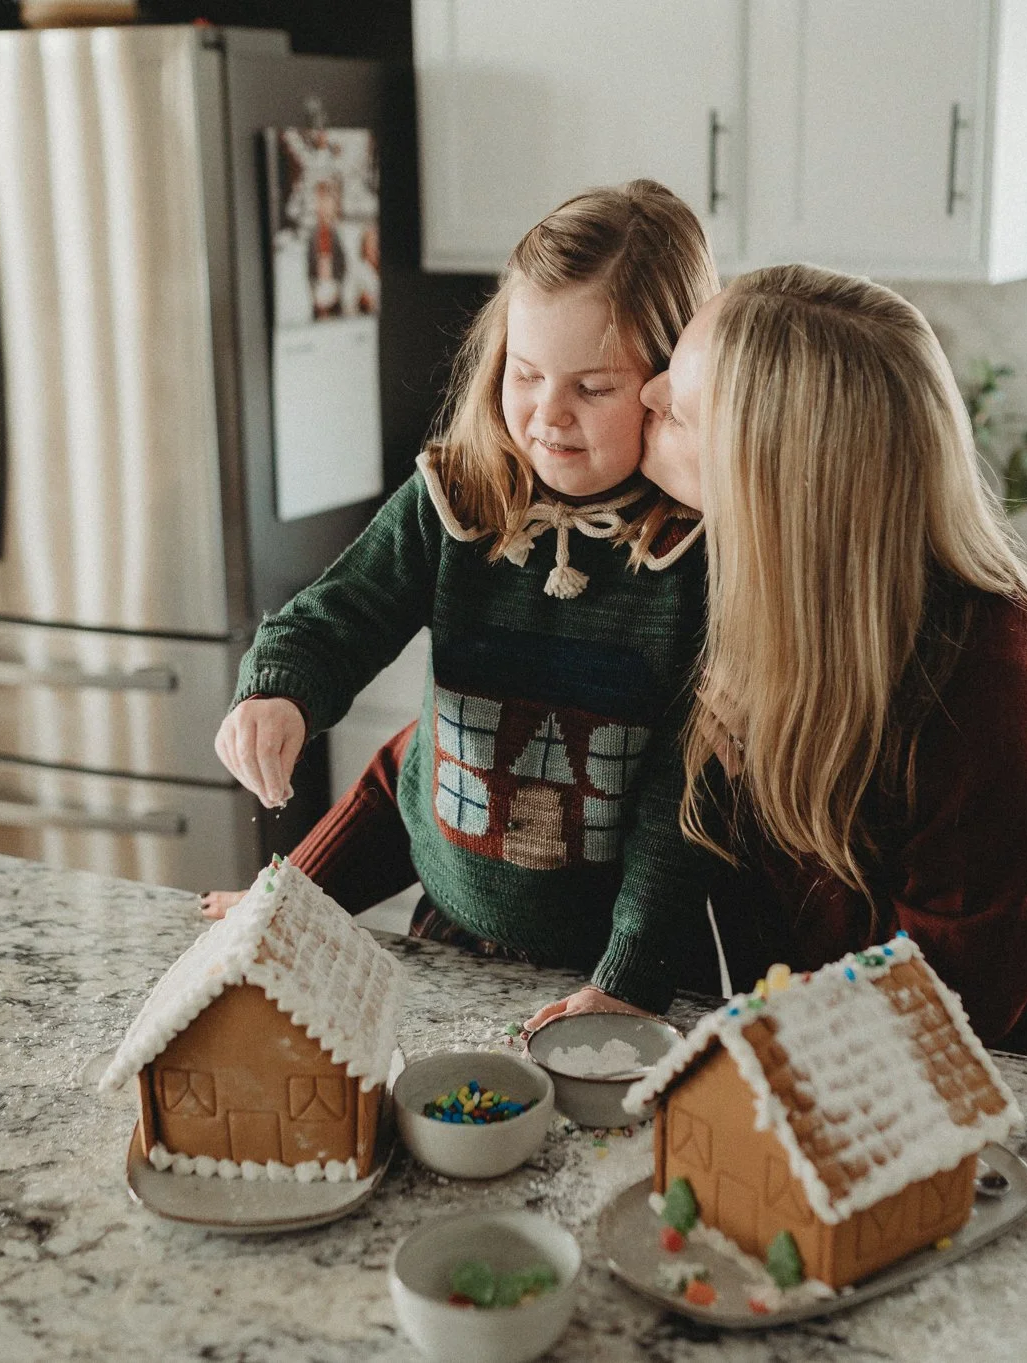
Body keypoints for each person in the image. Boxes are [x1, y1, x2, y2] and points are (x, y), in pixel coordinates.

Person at [205, 181, 718, 1020]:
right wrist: (278, 688)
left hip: (625, 967)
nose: (548, 414)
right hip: (447, 931)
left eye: (593, 388)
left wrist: (628, 977)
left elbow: (686, 800)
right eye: (527, 373)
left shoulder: (693, 555)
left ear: (666, 389)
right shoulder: (457, 497)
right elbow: (342, 612)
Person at [626, 264, 1027, 1070]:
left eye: (681, 410)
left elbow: (935, 1008)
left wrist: (755, 780)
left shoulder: (991, 681)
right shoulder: (726, 570)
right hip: (837, 1034)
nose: (646, 395)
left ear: (768, 478)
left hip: (1020, 1065)